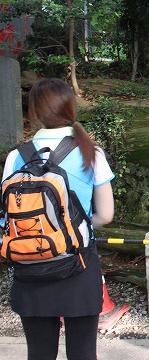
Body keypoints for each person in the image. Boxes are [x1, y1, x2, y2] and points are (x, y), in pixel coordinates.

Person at [1, 78, 115, 360]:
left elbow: (6, 219)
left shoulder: (16, 156)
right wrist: (72, 227)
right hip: (79, 265)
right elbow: (106, 215)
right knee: (83, 353)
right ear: (71, 109)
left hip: (31, 270)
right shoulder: (91, 153)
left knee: (38, 354)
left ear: (35, 114)